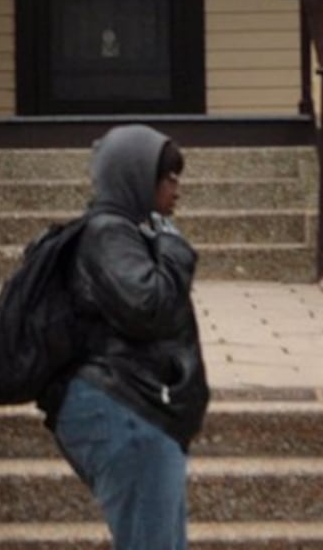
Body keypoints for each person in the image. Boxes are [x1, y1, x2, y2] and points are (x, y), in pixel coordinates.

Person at [43, 124, 210, 550]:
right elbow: (148, 308)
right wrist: (173, 250)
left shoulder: (130, 232)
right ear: (136, 178)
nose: (177, 189)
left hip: (137, 409)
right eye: (168, 178)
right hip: (126, 410)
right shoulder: (108, 234)